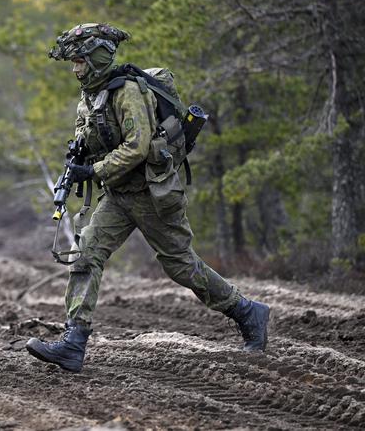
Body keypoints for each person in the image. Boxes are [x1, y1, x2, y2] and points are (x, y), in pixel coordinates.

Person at [25, 23, 270, 373]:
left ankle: (247, 311)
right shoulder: (90, 95)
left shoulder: (126, 91)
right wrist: (79, 158)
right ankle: (73, 343)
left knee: (181, 266)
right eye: (73, 62)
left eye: (79, 61)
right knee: (87, 253)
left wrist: (94, 172)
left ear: (96, 58)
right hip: (119, 196)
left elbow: (137, 147)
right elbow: (90, 136)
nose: (75, 69)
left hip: (152, 194)